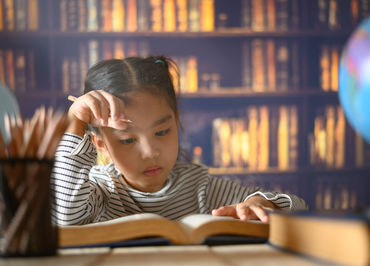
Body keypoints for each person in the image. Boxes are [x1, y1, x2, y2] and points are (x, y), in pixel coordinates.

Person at [51, 55, 308, 226]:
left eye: (162, 132)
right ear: (101, 145)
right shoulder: (100, 190)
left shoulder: (201, 187)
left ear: (176, 123)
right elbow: (67, 218)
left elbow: (298, 206)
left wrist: (260, 203)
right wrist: (75, 121)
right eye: (128, 140)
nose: (150, 151)